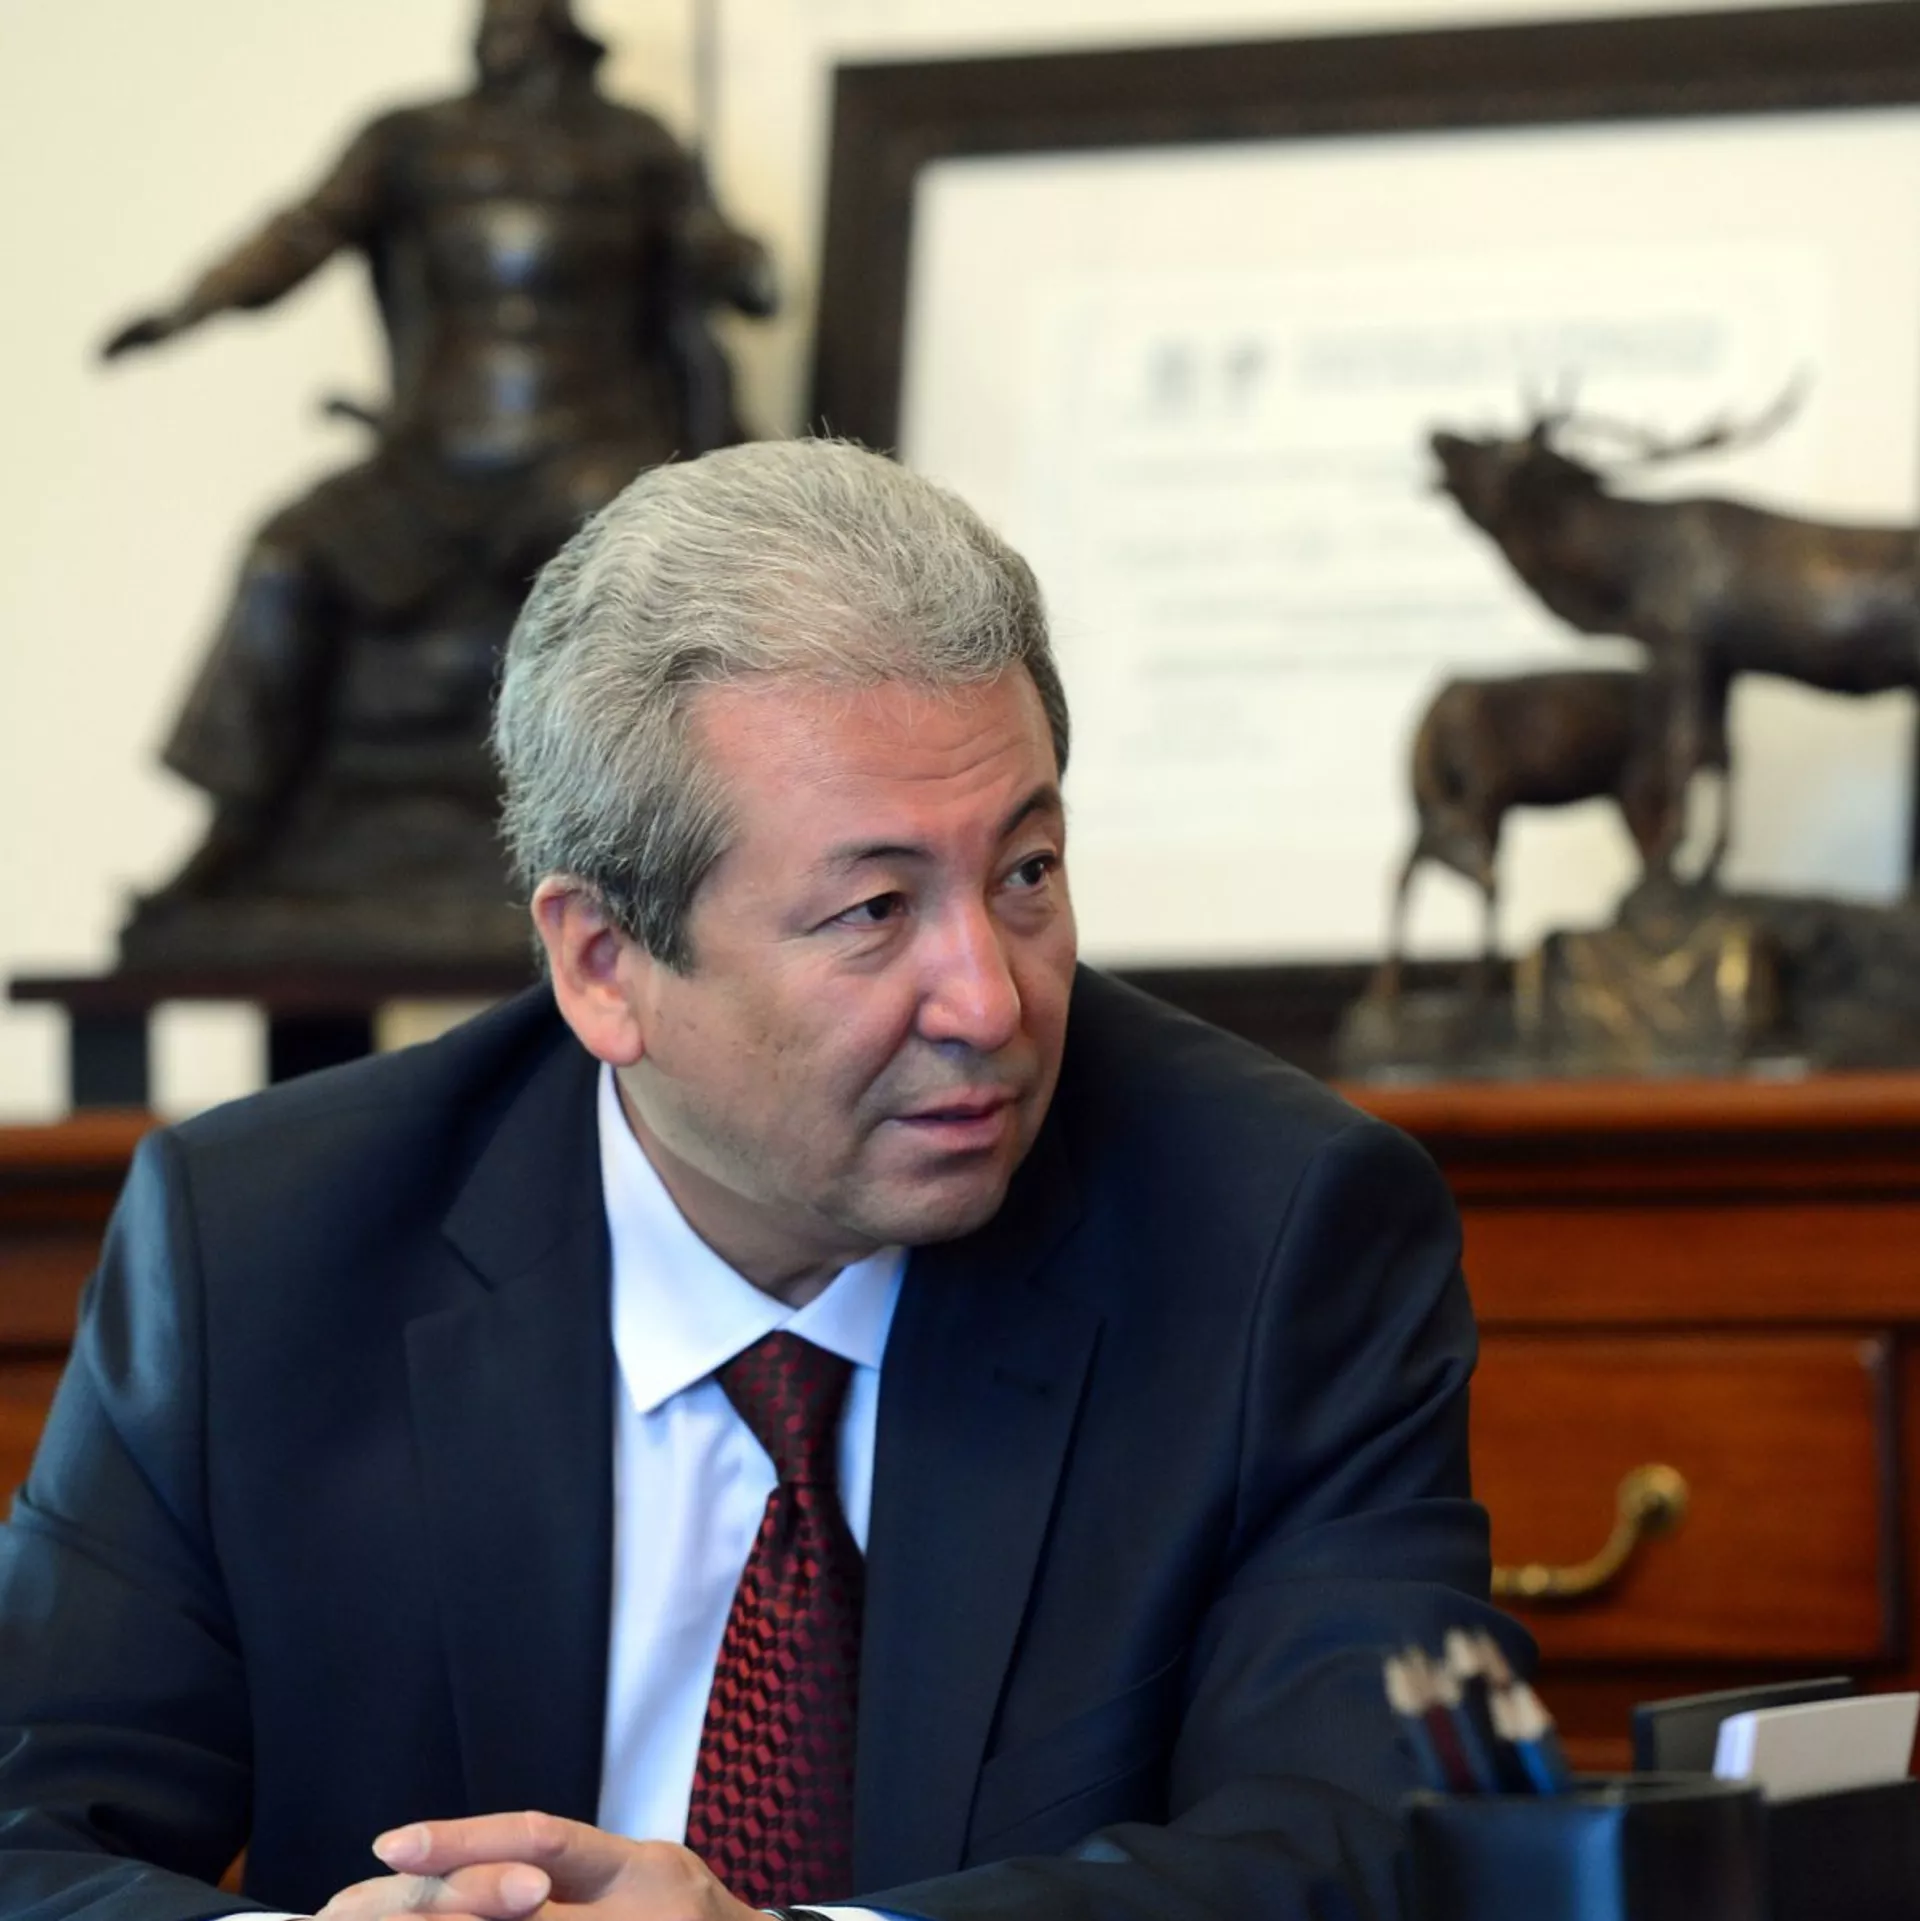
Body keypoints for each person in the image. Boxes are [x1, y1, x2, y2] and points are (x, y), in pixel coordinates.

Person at [0, 439, 1517, 1921]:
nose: (989, 999)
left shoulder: (1276, 1233)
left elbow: (1375, 1843)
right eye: (874, 909)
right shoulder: (261, 1247)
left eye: (1026, 873)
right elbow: (24, 1832)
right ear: (604, 963)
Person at [101, 0, 774, 951]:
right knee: (285, 554)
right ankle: (238, 828)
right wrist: (189, 308)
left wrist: (734, 263)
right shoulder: (410, 140)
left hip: (588, 454)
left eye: (521, 19)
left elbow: (740, 277)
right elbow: (297, 235)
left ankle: (637, 847)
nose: (501, 31)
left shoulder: (637, 146)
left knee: (627, 556)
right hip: (428, 462)